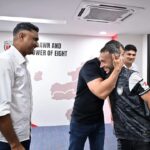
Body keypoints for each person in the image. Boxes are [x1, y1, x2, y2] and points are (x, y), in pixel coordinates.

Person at [68, 41, 123, 150]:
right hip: (80, 120)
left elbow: (109, 90)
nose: (101, 64)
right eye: (101, 60)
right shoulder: (90, 66)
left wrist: (112, 112)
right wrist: (117, 69)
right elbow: (101, 92)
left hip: (98, 120)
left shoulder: (111, 69)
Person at [100, 43, 150, 150]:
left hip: (140, 133)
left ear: (114, 58)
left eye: (104, 61)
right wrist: (113, 113)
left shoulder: (133, 75)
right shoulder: (108, 77)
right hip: (122, 133)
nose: (102, 64)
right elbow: (110, 95)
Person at [0, 22, 39, 150]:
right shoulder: (5, 61)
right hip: (8, 140)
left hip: (22, 134)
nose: (37, 44)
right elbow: (1, 109)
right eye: (34, 39)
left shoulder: (21, 62)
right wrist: (15, 144)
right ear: (21, 36)